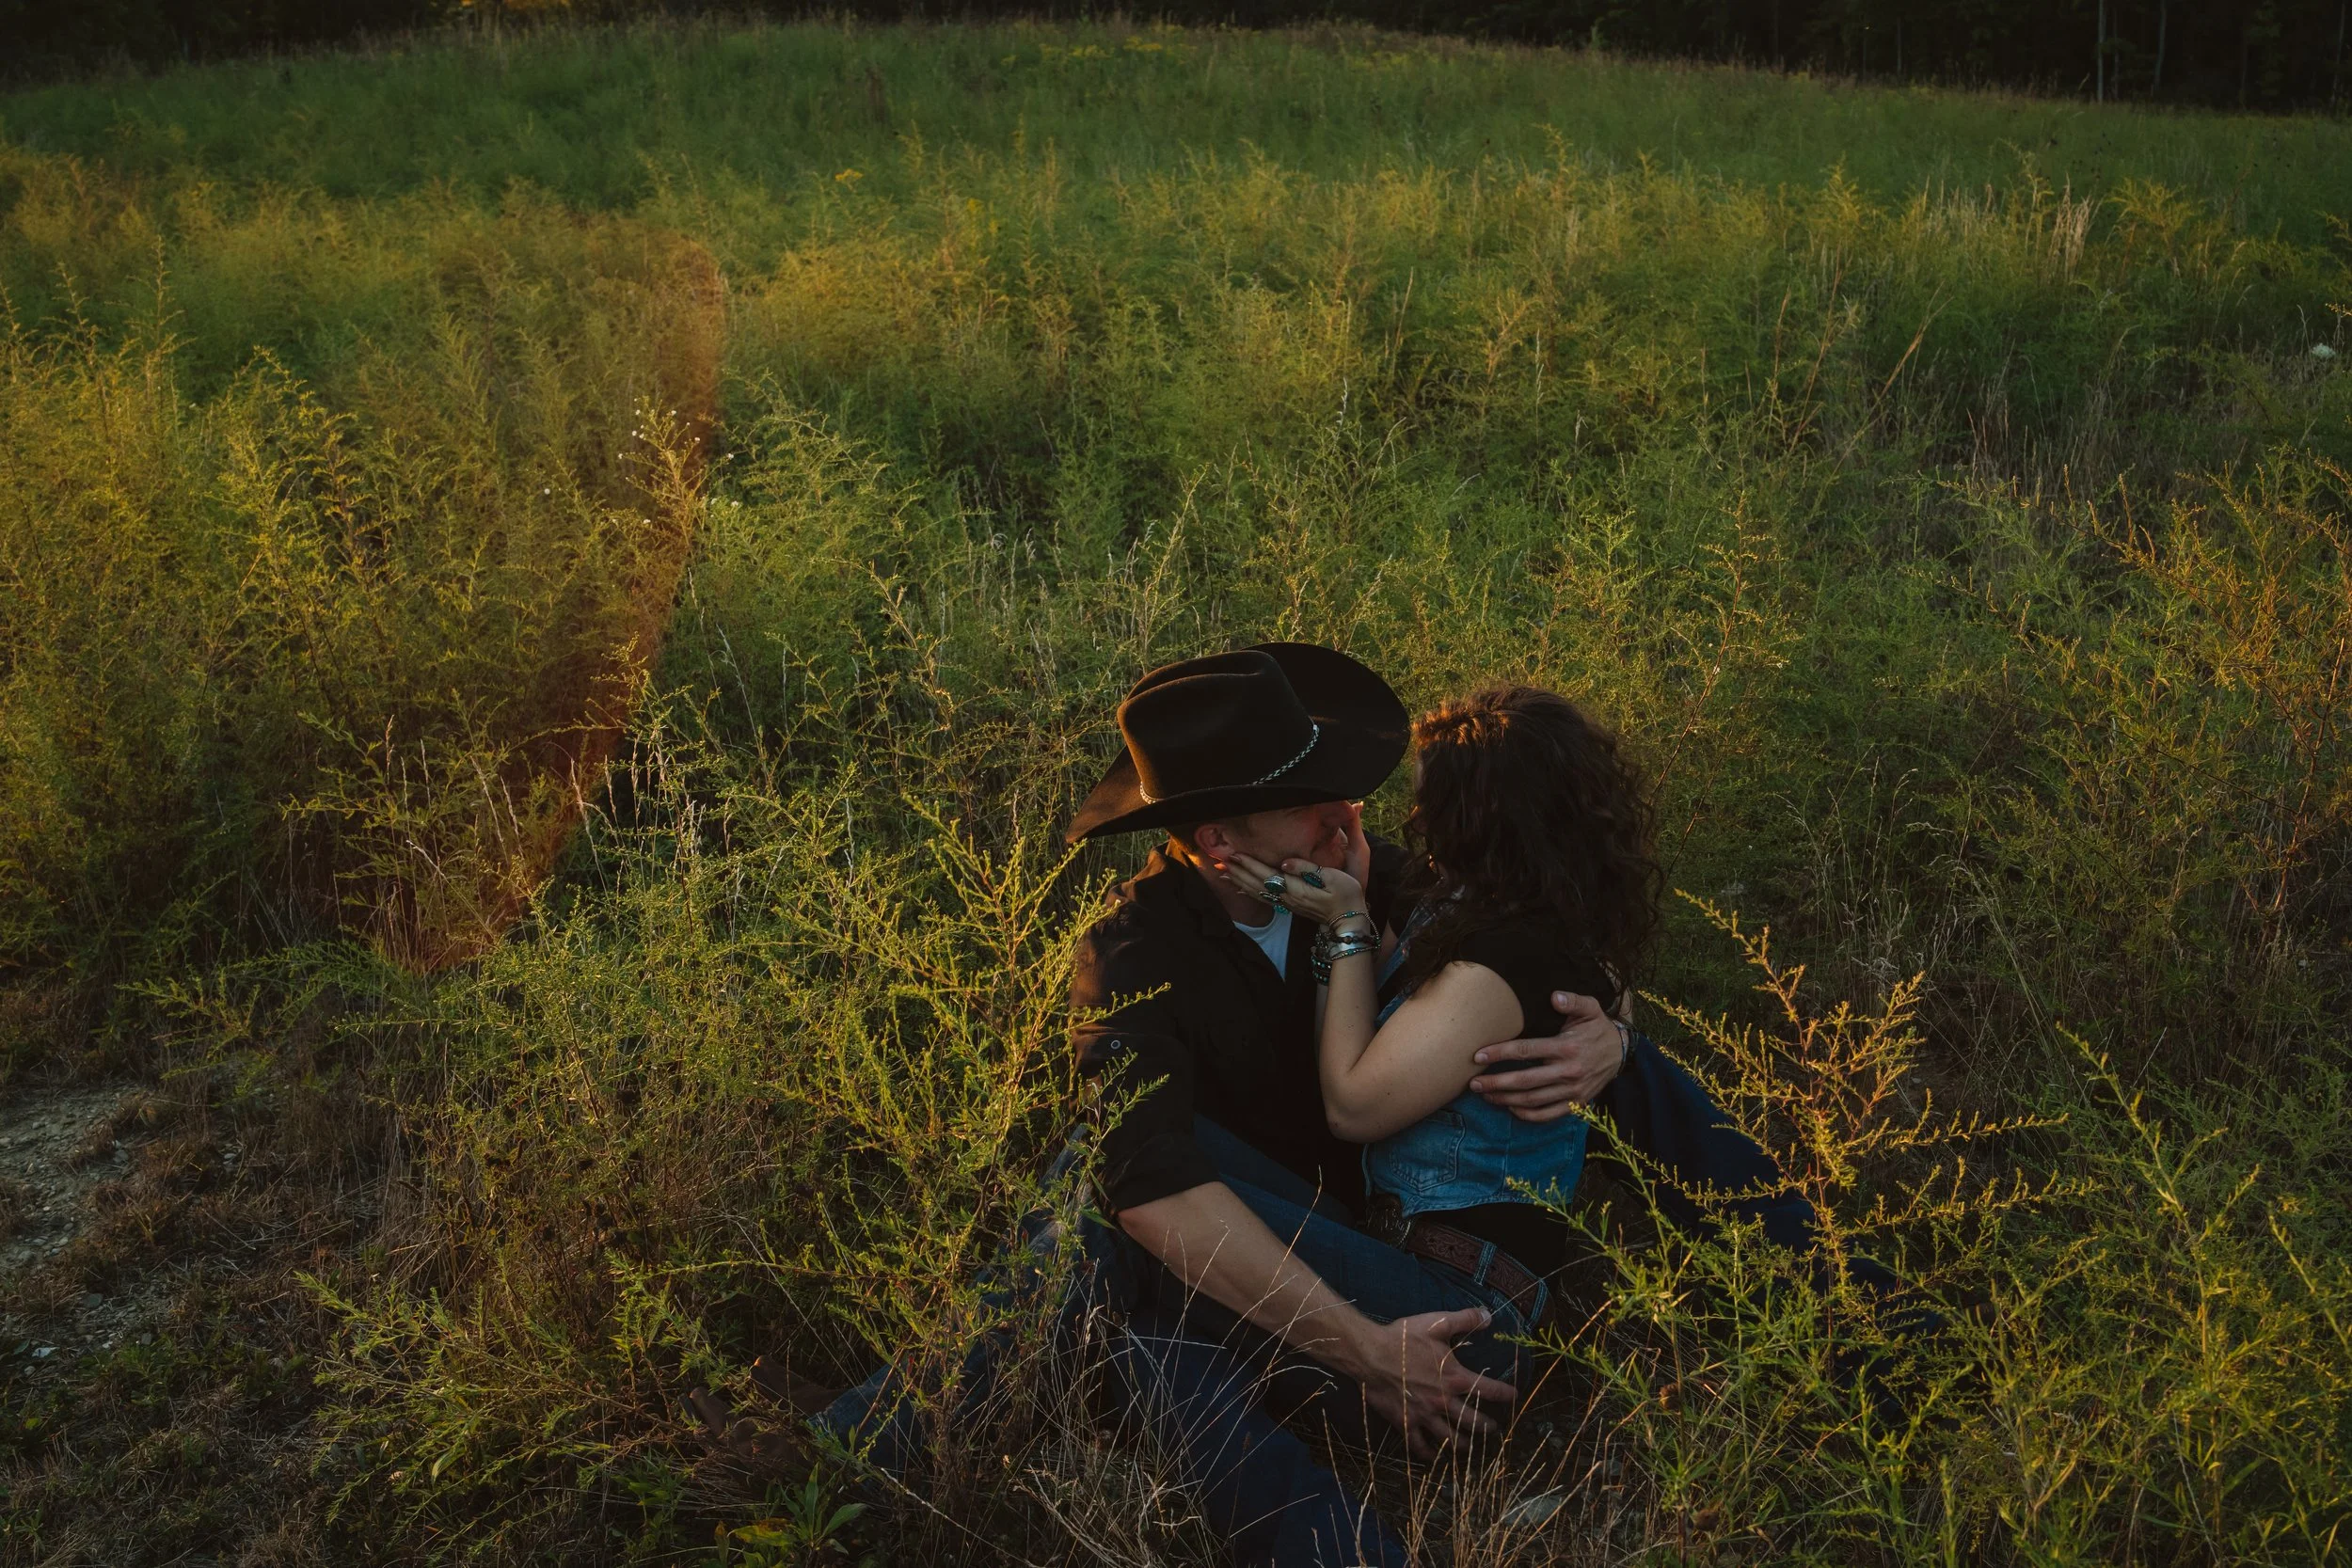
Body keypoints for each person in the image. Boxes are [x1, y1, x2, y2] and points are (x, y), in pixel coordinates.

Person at [1053, 645, 1634, 1567]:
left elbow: (1547, 944)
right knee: (1124, 1266)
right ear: (1219, 846)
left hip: (1446, 1331)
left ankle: (875, 1435)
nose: (1349, 813)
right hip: (1356, 1310)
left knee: (1092, 1227)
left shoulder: (1376, 878)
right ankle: (1342, 1549)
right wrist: (1366, 1349)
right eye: (1309, 801)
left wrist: (1613, 1030)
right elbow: (1151, 1178)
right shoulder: (1132, 957)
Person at [1219, 686, 1659, 1327]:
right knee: (1164, 1169)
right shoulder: (1467, 904)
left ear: (1485, 817)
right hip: (1401, 1253)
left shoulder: (1503, 963)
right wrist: (1359, 902)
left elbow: (1351, 1104)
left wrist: (1345, 918)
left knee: (1181, 1205)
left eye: (1434, 800)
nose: (1416, 817)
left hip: (1462, 1297)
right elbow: (1366, 1018)